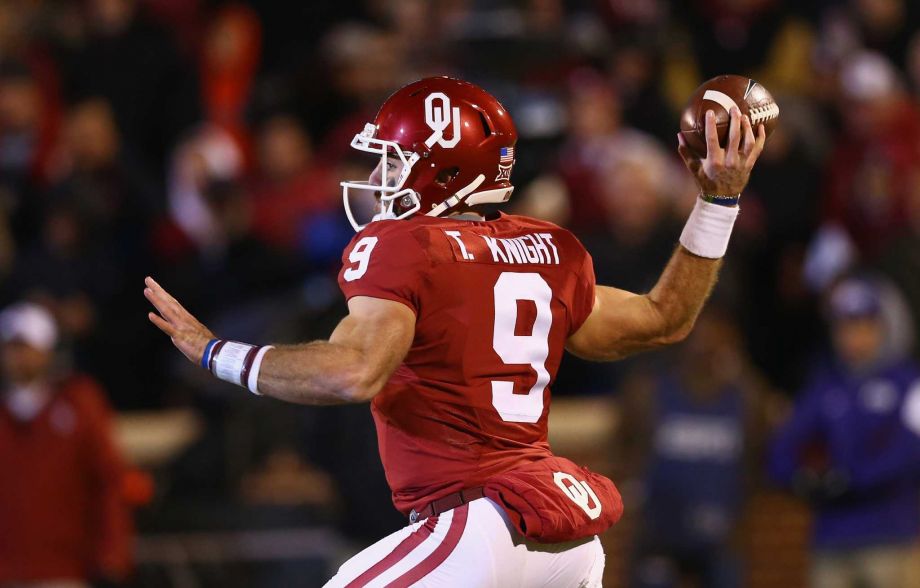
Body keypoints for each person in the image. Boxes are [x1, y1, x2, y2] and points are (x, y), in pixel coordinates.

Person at [145, 76, 765, 587]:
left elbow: (353, 372)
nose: (383, 177)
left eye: (396, 160)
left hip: (474, 524)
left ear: (444, 171)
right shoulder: (548, 248)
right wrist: (717, 203)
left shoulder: (402, 247)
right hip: (561, 538)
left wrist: (214, 351)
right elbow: (665, 318)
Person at [769, 276, 920, 588]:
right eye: (844, 327)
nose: (853, 336)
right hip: (831, 537)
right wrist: (805, 480)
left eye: (864, 325)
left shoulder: (909, 383)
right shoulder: (826, 384)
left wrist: (850, 478)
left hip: (890, 534)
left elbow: (909, 453)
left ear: (885, 327)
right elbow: (781, 450)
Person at [618, 311, 778, 588]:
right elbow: (622, 444)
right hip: (659, 533)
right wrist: (633, 487)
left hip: (720, 534)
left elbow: (760, 456)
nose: (703, 347)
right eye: (697, 338)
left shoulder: (746, 396)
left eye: (714, 341)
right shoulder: (649, 390)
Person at [0, 302, 133, 587]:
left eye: (26, 346)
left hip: (65, 570)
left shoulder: (79, 404)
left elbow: (107, 482)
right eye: (12, 347)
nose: (18, 356)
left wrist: (112, 555)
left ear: (48, 350)